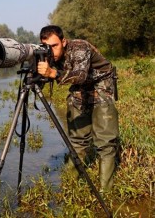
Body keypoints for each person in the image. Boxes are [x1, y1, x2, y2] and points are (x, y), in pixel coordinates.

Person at [37, 25, 119, 192]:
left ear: (64, 41)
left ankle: (105, 191)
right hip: (79, 87)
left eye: (55, 46)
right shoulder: (46, 55)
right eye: (47, 47)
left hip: (101, 83)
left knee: (105, 141)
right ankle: (69, 184)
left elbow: (80, 75)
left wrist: (53, 73)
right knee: (77, 139)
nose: (51, 51)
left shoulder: (79, 46)